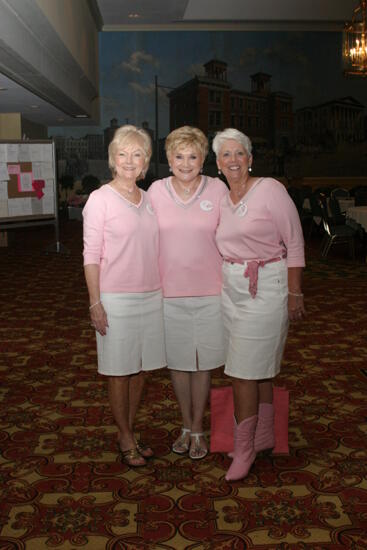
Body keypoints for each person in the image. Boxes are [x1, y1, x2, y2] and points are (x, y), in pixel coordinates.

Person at [212, 128, 305, 481]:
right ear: (218, 164)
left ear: (250, 159)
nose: (233, 160)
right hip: (232, 288)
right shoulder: (223, 199)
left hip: (267, 286)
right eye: (226, 155)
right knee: (260, 367)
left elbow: (294, 243)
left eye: (240, 153)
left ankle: (245, 447)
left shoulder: (271, 190)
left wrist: (294, 292)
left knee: (242, 371)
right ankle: (264, 435)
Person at [83, 125, 166, 467]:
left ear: (146, 161)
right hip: (116, 299)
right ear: (112, 160)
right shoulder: (100, 199)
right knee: (119, 371)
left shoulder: (149, 200)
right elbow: (91, 255)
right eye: (123, 154)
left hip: (152, 296)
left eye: (137, 154)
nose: (130, 161)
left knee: (142, 370)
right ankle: (126, 436)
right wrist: (95, 302)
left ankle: (127, 429)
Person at [148, 126, 228, 459]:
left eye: (192, 156)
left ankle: (198, 428)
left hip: (211, 293)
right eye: (178, 156)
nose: (185, 162)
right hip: (169, 294)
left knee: (202, 365)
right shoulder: (154, 191)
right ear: (168, 160)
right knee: (179, 364)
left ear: (203, 159)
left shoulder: (217, 189)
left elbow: (235, 233)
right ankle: (185, 424)